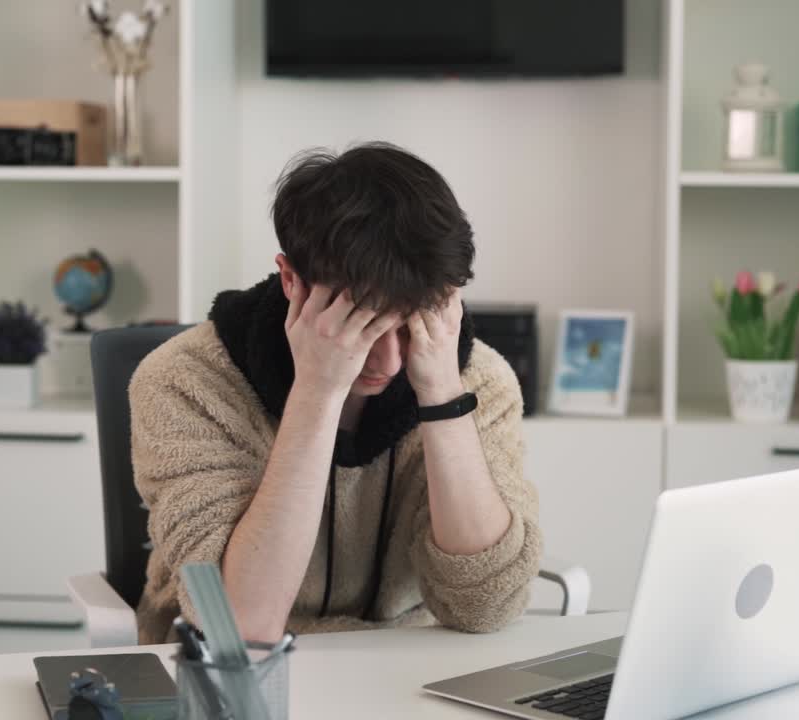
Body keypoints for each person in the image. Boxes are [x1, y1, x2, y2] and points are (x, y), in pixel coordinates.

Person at [129, 142, 542, 644]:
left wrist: (442, 394)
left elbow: (486, 605)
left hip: (403, 666)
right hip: (226, 676)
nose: (390, 361)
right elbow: (238, 623)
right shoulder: (185, 380)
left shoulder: (481, 380)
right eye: (362, 326)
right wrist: (318, 393)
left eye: (412, 326)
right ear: (291, 280)